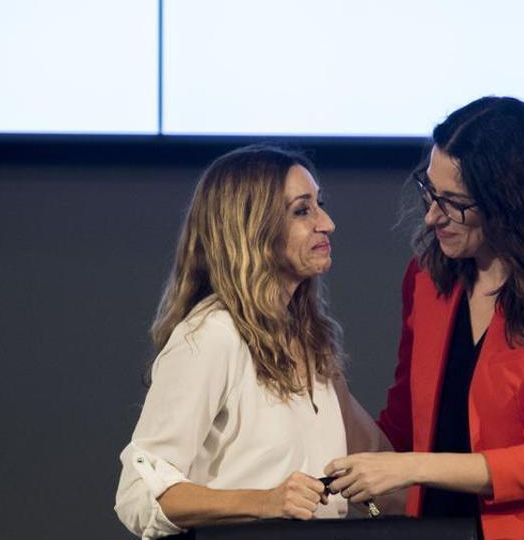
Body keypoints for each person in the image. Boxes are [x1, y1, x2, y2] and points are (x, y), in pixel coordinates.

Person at [325, 97, 524, 539]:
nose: (431, 216)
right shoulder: (427, 279)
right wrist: (324, 381)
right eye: (429, 192)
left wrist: (409, 468)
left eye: (454, 203)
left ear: (511, 203)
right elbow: (404, 429)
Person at [114, 145, 390, 538]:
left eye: (319, 204)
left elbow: (382, 466)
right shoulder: (212, 334)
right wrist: (265, 502)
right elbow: (139, 494)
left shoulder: (311, 343)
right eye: (302, 210)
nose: (326, 223)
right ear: (252, 227)